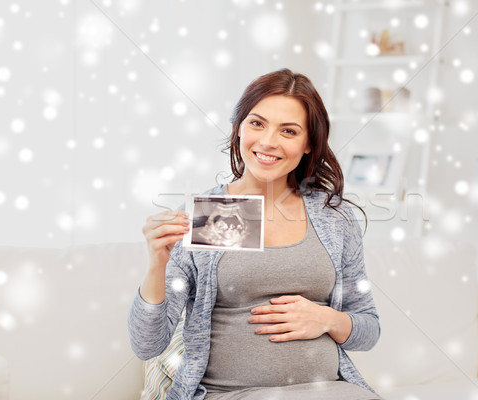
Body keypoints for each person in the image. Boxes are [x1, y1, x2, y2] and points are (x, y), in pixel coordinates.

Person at [128, 68, 381, 400]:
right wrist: (156, 265)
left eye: (288, 131)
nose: (268, 142)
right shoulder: (216, 213)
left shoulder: (333, 217)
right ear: (237, 129)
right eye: (257, 123)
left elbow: (369, 330)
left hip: (330, 390)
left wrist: (328, 319)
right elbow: (148, 344)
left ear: (308, 144)